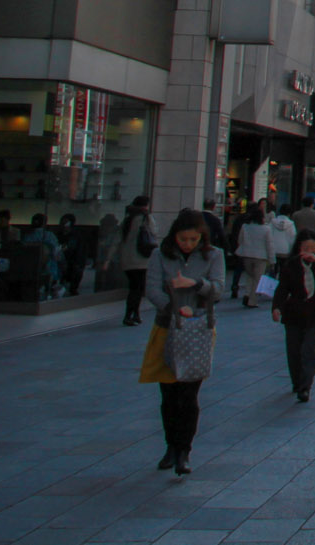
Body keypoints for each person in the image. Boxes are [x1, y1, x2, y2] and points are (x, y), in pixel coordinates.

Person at [140, 208, 224, 476]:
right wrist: (172, 307)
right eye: (183, 239)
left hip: (198, 328)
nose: (188, 244)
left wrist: (196, 283)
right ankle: (170, 447)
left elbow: (218, 289)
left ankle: (184, 450)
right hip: (168, 327)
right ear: (174, 235)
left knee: (189, 394)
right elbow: (152, 288)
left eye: (193, 240)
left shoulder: (214, 255)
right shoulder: (159, 255)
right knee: (169, 394)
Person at [272, 231, 315, 403]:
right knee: (294, 350)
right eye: (305, 248)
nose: (309, 251)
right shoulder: (291, 265)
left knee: (308, 349)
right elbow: (282, 288)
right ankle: (297, 381)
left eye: (313, 248)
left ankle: (305, 386)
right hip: (293, 313)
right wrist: (276, 307)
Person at [111, 196, 158, 326]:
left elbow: (117, 240)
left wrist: (108, 259)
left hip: (127, 260)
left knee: (134, 287)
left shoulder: (127, 220)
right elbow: (154, 232)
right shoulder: (146, 218)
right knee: (138, 289)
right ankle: (130, 315)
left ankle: (134, 314)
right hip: (142, 259)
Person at [234, 207, 274, 308]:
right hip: (261, 257)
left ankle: (247, 294)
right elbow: (269, 245)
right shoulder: (266, 229)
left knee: (250, 276)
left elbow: (240, 240)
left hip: (246, 255)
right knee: (257, 279)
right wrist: (272, 259)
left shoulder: (245, 226)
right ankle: (252, 300)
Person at [22, 213, 64, 299]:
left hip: (30, 268)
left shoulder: (27, 237)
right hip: (49, 268)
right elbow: (57, 255)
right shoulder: (50, 236)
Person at [56, 212, 87, 296]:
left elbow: (79, 250)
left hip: (73, 261)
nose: (63, 225)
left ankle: (72, 289)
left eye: (65, 223)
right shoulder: (59, 235)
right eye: (62, 222)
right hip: (61, 260)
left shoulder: (76, 236)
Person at [266, 200, 297, 278]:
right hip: (285, 251)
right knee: (283, 271)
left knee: (272, 271)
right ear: (289, 213)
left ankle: (271, 286)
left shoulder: (272, 222)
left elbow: (268, 235)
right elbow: (292, 238)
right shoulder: (291, 224)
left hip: (273, 250)